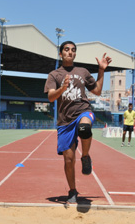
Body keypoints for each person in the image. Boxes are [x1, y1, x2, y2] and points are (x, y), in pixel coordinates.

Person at [44, 41, 112, 203]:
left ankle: (86, 156)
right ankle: (73, 191)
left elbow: (97, 90)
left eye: (73, 50)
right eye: (66, 50)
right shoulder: (54, 75)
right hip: (65, 120)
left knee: (84, 127)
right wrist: (63, 88)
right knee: (68, 159)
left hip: (83, 111)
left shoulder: (82, 71)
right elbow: (51, 97)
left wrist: (101, 71)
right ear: (61, 54)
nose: (70, 52)